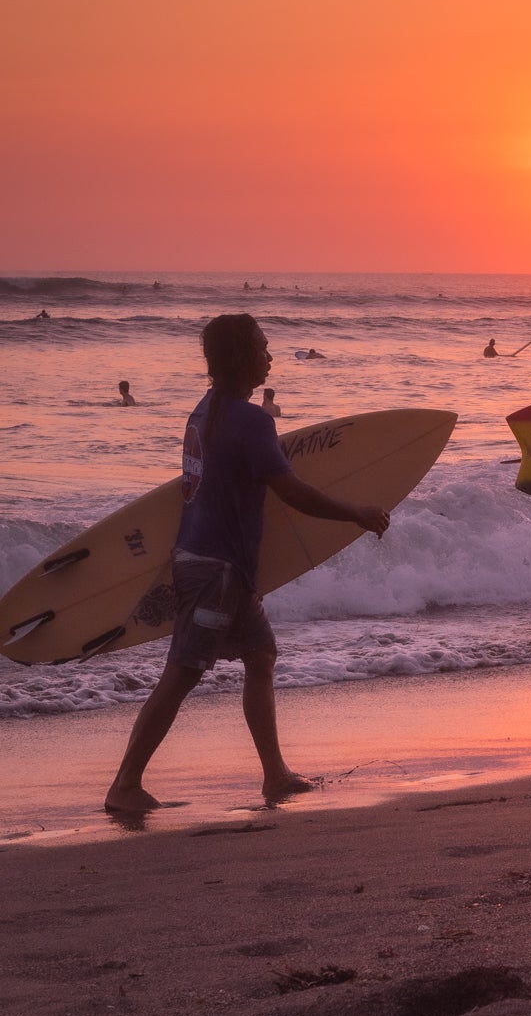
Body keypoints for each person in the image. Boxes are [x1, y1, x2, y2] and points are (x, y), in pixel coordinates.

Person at [104, 315, 388, 815]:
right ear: (239, 357)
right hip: (215, 571)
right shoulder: (251, 421)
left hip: (211, 563)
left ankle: (275, 775)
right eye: (262, 347)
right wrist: (355, 514)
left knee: (260, 658)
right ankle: (124, 784)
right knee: (182, 673)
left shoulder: (204, 411)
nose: (269, 356)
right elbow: (292, 491)